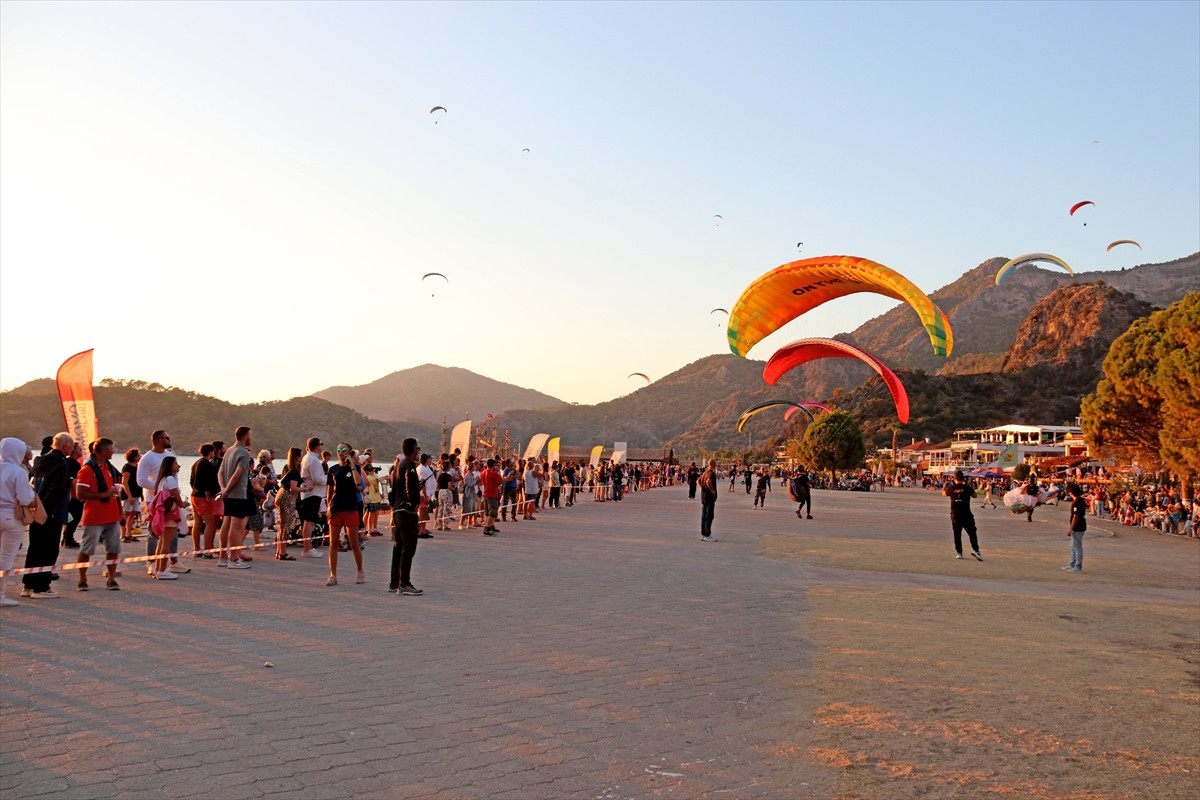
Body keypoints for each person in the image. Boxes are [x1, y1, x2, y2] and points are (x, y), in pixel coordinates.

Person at [21, 432, 74, 599]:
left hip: (36, 509)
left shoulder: (40, 460)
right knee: (50, 549)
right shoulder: (61, 463)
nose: (72, 448)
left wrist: (38, 509)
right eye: (71, 445)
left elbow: (34, 483)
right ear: (65, 445)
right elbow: (56, 490)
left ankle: (28, 584)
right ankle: (42, 587)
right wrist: (47, 511)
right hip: (51, 512)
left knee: (35, 547)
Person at [74, 437, 124, 591]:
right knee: (87, 549)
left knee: (113, 549)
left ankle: (111, 579)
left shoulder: (109, 468)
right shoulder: (87, 469)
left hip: (112, 515)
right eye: (111, 449)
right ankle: (82, 579)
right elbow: (80, 493)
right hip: (94, 516)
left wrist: (121, 511)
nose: (113, 451)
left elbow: (114, 493)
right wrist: (104, 494)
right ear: (102, 450)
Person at [1, 437, 37, 605]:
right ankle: (0, 594)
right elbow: (25, 499)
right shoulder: (17, 472)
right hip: (11, 516)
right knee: (7, 556)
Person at [325, 443, 365, 586]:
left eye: (343, 450)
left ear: (349, 452)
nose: (340, 453)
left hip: (350, 508)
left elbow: (358, 482)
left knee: (353, 543)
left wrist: (352, 465)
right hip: (336, 508)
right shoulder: (333, 469)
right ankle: (333, 575)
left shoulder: (355, 468)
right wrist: (328, 505)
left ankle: (360, 571)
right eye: (338, 450)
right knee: (333, 543)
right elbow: (329, 489)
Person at [216, 426, 254, 568]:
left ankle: (222, 557)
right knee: (236, 527)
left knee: (226, 524)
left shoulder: (228, 451)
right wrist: (227, 490)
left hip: (228, 494)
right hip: (238, 493)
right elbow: (237, 474)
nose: (251, 438)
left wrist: (223, 488)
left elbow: (220, 473)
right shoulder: (244, 453)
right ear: (245, 437)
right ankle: (234, 558)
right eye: (250, 435)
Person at [389, 439, 423, 595]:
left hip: (397, 509)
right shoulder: (409, 465)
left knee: (398, 547)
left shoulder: (398, 466)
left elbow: (394, 489)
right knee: (409, 547)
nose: (419, 451)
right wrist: (414, 503)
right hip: (406, 511)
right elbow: (410, 487)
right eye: (418, 448)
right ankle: (404, 583)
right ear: (414, 449)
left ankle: (394, 582)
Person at [148, 456, 188, 579]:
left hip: (163, 514)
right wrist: (184, 504)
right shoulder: (170, 479)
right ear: (170, 466)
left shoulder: (162, 480)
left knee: (161, 543)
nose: (178, 466)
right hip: (171, 514)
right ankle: (162, 570)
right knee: (166, 543)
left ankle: (158, 569)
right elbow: (176, 497)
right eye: (175, 464)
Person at [944, 469, 983, 561]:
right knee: (972, 532)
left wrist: (944, 487)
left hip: (955, 514)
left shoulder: (951, 488)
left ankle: (959, 552)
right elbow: (975, 495)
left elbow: (944, 493)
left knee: (957, 534)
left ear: (954, 478)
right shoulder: (967, 487)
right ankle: (975, 550)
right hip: (966, 513)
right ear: (963, 478)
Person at [190, 443, 221, 557]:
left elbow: (192, 480)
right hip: (203, 497)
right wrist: (208, 494)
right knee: (210, 523)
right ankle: (208, 550)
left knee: (197, 523)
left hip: (194, 495)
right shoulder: (207, 464)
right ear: (210, 452)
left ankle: (197, 548)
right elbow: (207, 481)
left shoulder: (196, 463)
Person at [298, 437, 326, 558]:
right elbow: (317, 478)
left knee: (308, 522)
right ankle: (307, 548)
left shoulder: (307, 457)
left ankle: (308, 547)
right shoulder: (313, 460)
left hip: (309, 494)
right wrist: (328, 480)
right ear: (317, 446)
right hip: (313, 493)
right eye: (321, 444)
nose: (321, 447)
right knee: (309, 522)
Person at [274, 447, 303, 561]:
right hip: (288, 498)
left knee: (282, 525)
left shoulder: (287, 467)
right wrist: (306, 489)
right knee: (286, 526)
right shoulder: (295, 470)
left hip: (280, 494)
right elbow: (293, 488)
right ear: (297, 457)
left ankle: (279, 551)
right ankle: (283, 552)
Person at [119, 449, 142, 543]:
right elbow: (124, 482)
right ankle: (122, 534)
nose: (140, 456)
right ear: (134, 456)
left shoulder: (138, 467)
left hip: (136, 493)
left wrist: (141, 494)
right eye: (138, 455)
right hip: (129, 493)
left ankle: (129, 533)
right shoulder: (127, 467)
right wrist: (129, 495)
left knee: (133, 513)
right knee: (126, 513)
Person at [1064, 483, 1087, 573]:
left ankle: (1078, 566)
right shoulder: (1080, 500)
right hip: (1080, 525)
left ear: (1071, 493)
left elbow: (1076, 516)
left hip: (1078, 526)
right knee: (1073, 547)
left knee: (1077, 547)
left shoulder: (1077, 501)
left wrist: (1070, 528)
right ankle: (1072, 564)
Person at [479, 458, 502, 536]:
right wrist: (508, 477)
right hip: (492, 494)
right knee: (492, 513)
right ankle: (487, 528)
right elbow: (501, 481)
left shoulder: (483, 473)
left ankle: (491, 526)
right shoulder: (493, 474)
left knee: (487, 513)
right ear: (494, 465)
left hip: (486, 494)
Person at [699, 458, 718, 542]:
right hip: (709, 498)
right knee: (709, 516)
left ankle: (703, 534)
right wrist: (712, 490)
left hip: (703, 497)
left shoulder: (704, 473)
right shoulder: (711, 474)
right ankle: (707, 534)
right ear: (714, 464)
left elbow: (698, 481)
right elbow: (708, 481)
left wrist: (703, 488)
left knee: (704, 516)